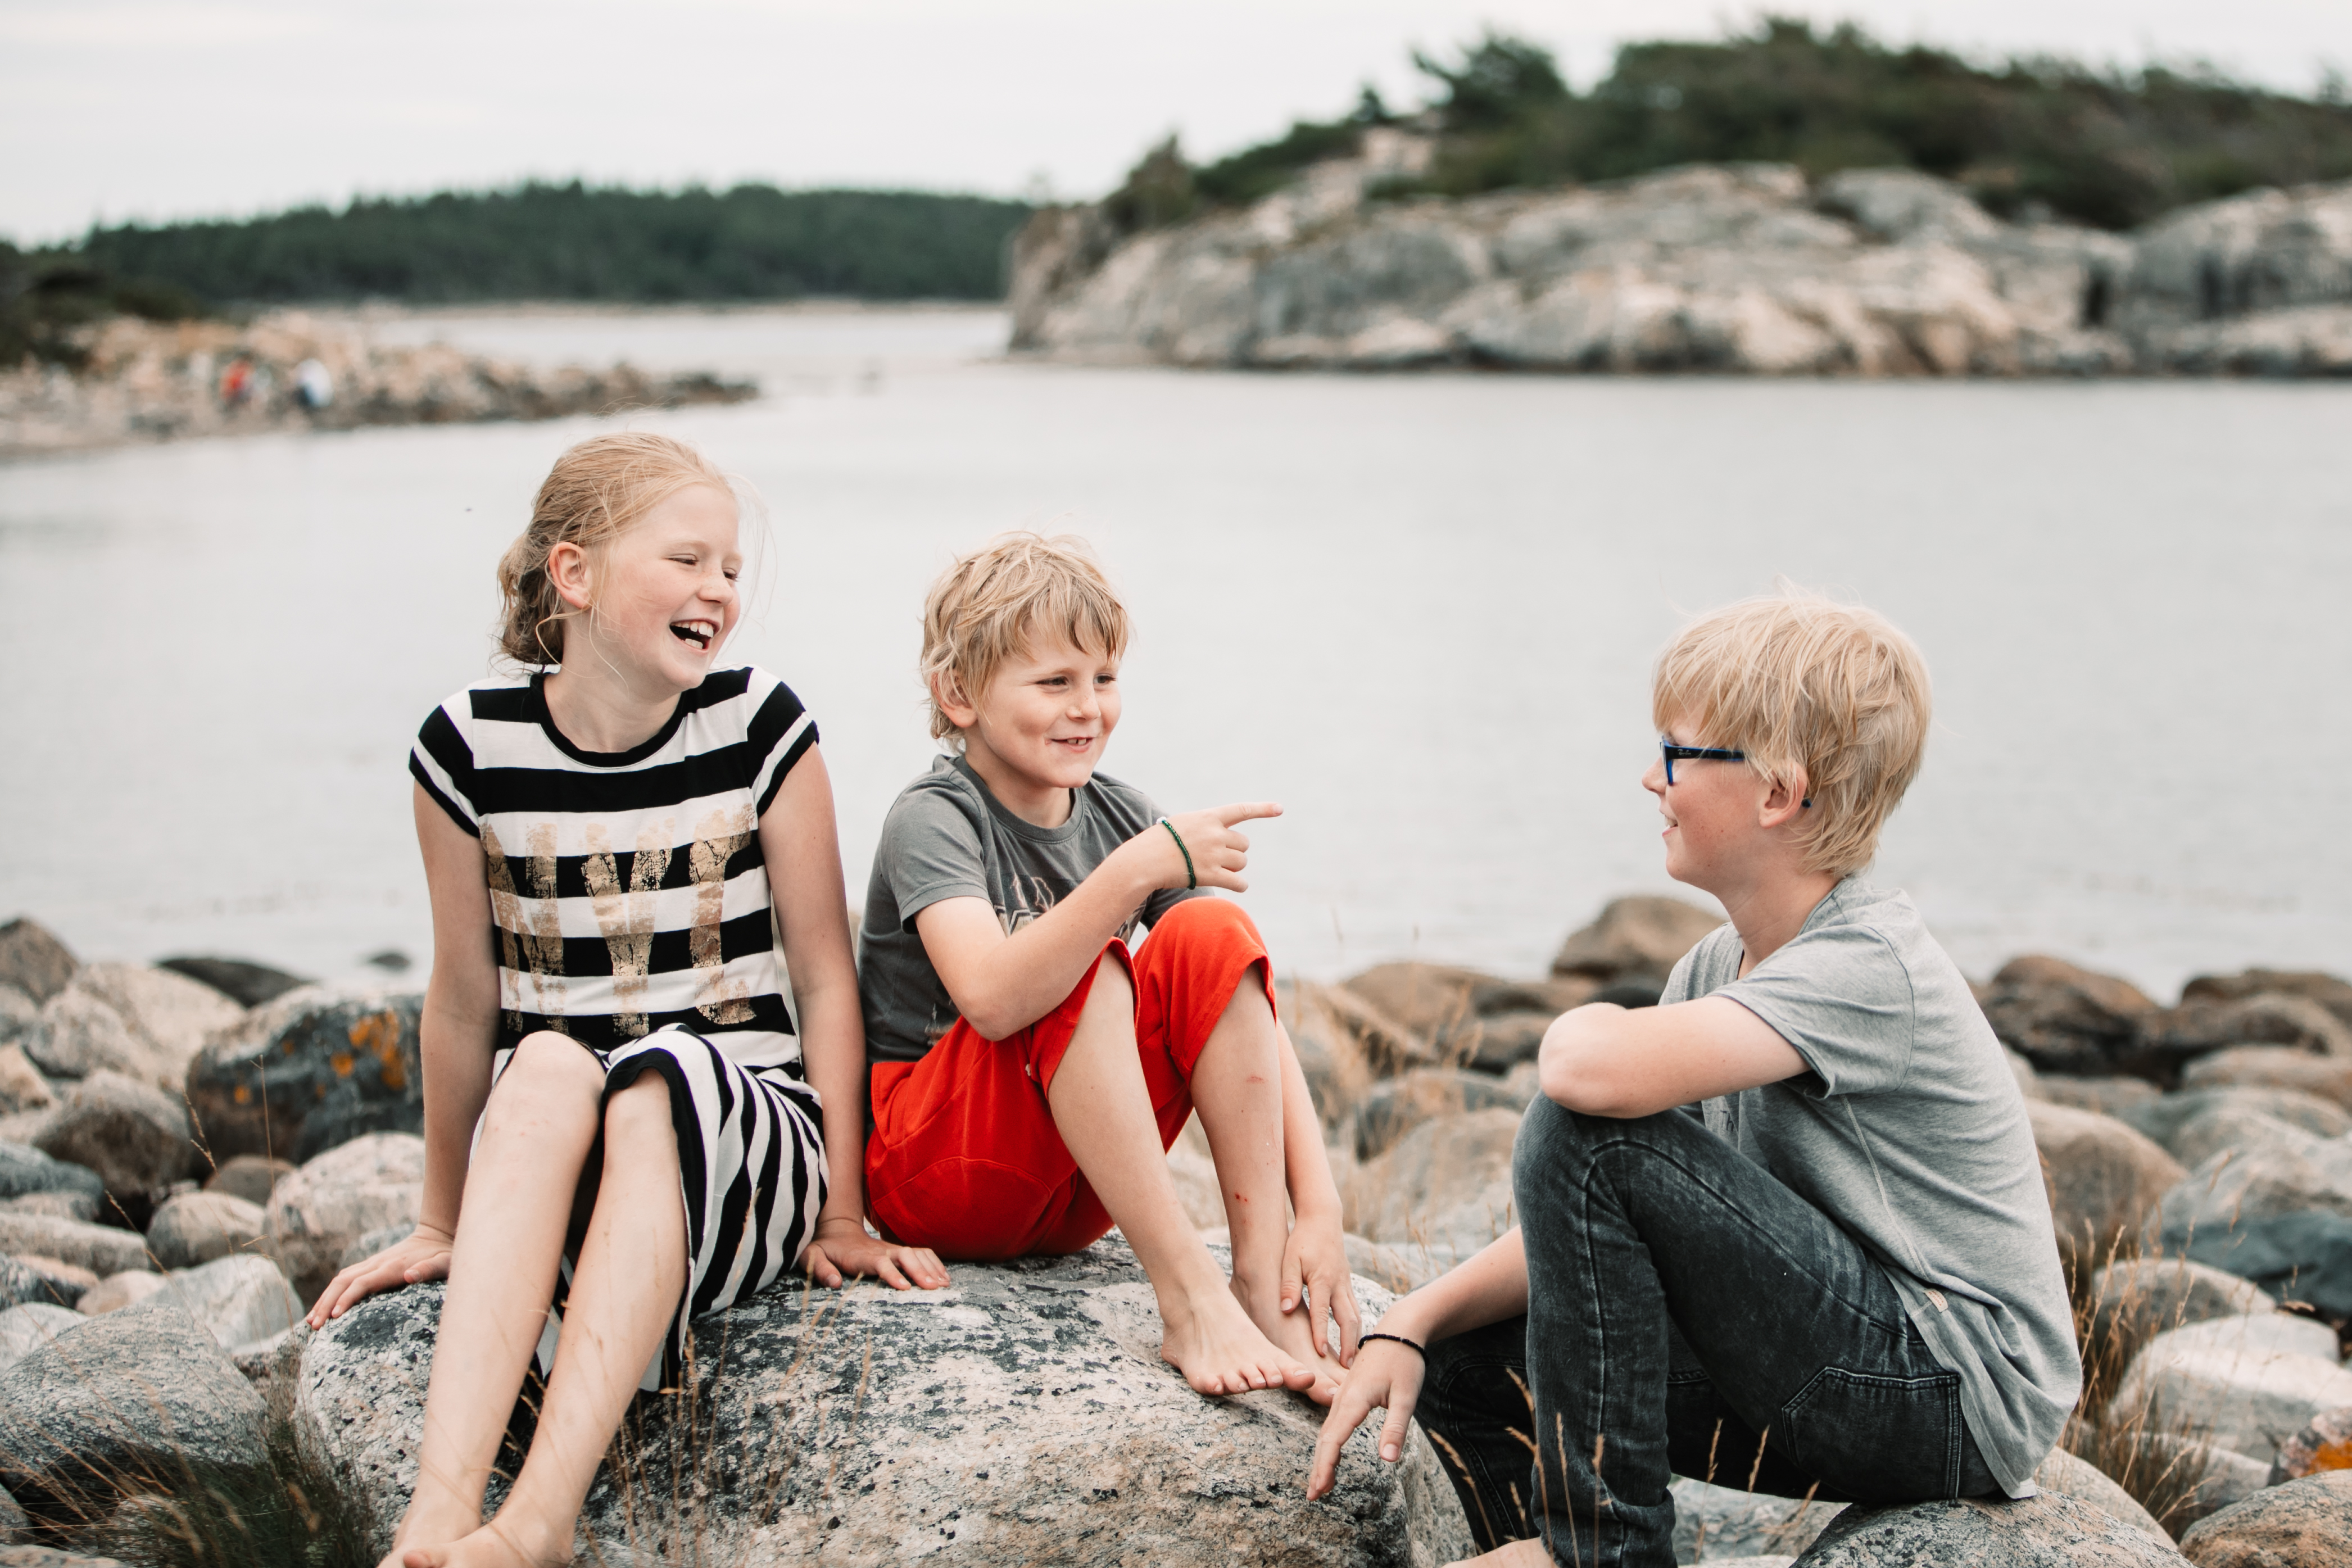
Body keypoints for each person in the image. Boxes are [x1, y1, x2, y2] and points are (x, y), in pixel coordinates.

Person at [1307, 588, 2080, 1567]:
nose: (1648, 777)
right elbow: (1591, 1227)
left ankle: (1603, 1553)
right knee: (1469, 1370)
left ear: (1776, 793)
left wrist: (1590, 1030)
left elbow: (1585, 1098)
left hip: (1951, 1392)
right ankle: (1546, 1539)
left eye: (1676, 754)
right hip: (1829, 1364)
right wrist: (1409, 1322)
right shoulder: (1719, 967)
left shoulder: (1868, 966)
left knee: (1586, 1122)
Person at [308, 432, 946, 1568]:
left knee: (666, 1075)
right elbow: (464, 1005)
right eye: (689, 560)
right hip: (571, 1175)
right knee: (549, 1062)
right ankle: (436, 1519)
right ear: (576, 576)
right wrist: (441, 1221)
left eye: (733, 570)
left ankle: (539, 1525)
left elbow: (820, 980)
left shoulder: (760, 727)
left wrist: (844, 1209)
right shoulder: (467, 749)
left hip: (743, 1141)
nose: (720, 591)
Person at [856, 532, 1358, 1401]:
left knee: (1210, 925)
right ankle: (1187, 1296)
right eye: (1053, 682)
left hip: (1074, 1189)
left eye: (1103, 678)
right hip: (940, 1173)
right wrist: (1134, 869)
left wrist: (1317, 1207)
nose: (1085, 707)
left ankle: (1255, 1279)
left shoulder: (1117, 809)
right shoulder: (934, 816)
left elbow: (1240, 995)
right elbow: (989, 995)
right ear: (958, 694)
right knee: (1081, 960)